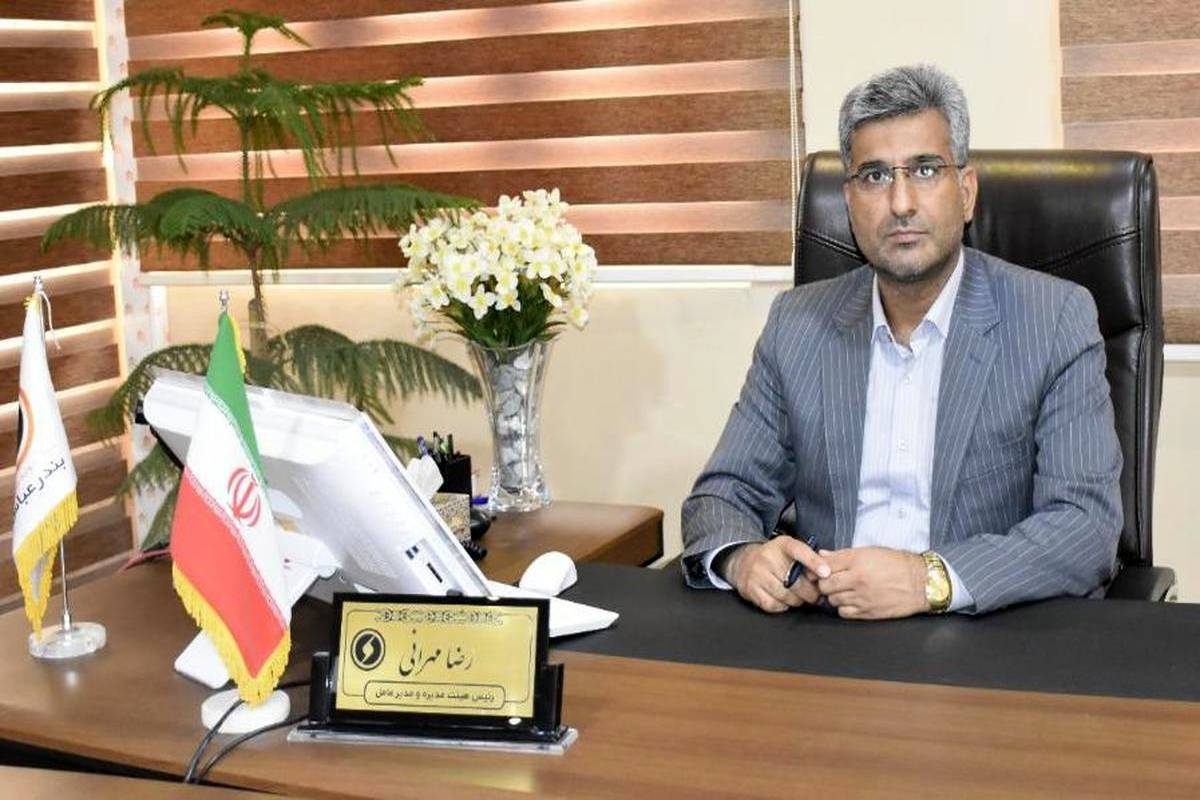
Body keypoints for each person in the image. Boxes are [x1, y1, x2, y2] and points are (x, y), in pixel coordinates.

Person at [680, 64, 1122, 619]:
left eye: (926, 170)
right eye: (874, 176)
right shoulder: (797, 325)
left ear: (966, 192)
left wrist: (927, 580)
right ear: (848, 201)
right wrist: (744, 558)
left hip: (985, 634)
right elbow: (721, 494)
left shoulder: (1053, 319)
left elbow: (1085, 527)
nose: (901, 202)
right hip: (827, 634)